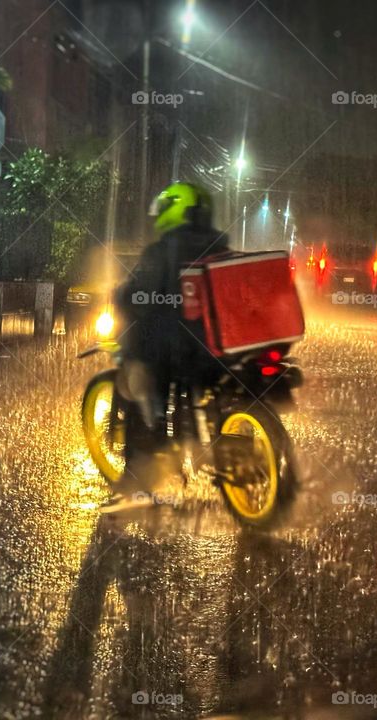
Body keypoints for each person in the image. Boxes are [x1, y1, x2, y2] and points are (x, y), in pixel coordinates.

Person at [105, 182, 229, 509]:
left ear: (171, 210)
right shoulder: (221, 245)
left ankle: (136, 483)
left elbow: (138, 296)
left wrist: (120, 294)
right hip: (218, 349)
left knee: (137, 385)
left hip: (179, 352)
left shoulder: (162, 251)